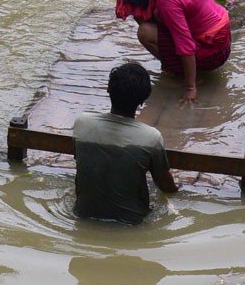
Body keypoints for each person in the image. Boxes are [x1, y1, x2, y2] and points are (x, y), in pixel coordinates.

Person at [73, 62, 178, 224]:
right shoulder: (151, 138)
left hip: (83, 214)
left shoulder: (82, 123)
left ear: (108, 91)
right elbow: (166, 186)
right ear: (143, 100)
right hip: (132, 222)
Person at [137, 0, 232, 105]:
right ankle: (182, 69)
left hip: (214, 53)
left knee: (144, 32)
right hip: (224, 37)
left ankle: (184, 75)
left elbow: (186, 46)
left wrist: (190, 87)